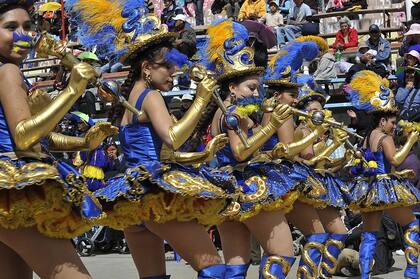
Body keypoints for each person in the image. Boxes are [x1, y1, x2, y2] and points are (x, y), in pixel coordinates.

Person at [67, 1, 239, 278]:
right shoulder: (151, 96)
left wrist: (204, 153)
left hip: (131, 198)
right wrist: (203, 98)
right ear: (147, 67)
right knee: (216, 270)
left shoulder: (130, 100)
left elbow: (172, 148)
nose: (173, 72)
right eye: (167, 66)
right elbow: (172, 139)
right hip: (157, 195)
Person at [0, 1, 118, 278]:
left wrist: (82, 143)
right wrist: (74, 89)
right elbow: (24, 136)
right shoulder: (8, 72)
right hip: (15, 191)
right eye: (10, 27)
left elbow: (41, 138)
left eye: (28, 27)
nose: (22, 35)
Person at [190, 20, 303, 278]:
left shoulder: (222, 111)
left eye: (258, 88)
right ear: (232, 87)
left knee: (236, 265)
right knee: (282, 253)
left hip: (224, 190)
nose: (255, 94)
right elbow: (241, 152)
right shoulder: (233, 114)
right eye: (251, 88)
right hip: (247, 186)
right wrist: (271, 124)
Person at [344, 70, 419, 279]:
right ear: (383, 120)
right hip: (385, 189)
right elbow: (394, 159)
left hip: (369, 189)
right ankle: (412, 271)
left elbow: (377, 164)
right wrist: (412, 141)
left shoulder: (368, 136)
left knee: (369, 234)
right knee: (413, 224)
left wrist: (400, 172)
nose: (394, 127)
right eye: (392, 123)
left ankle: (365, 275)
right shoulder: (385, 137)